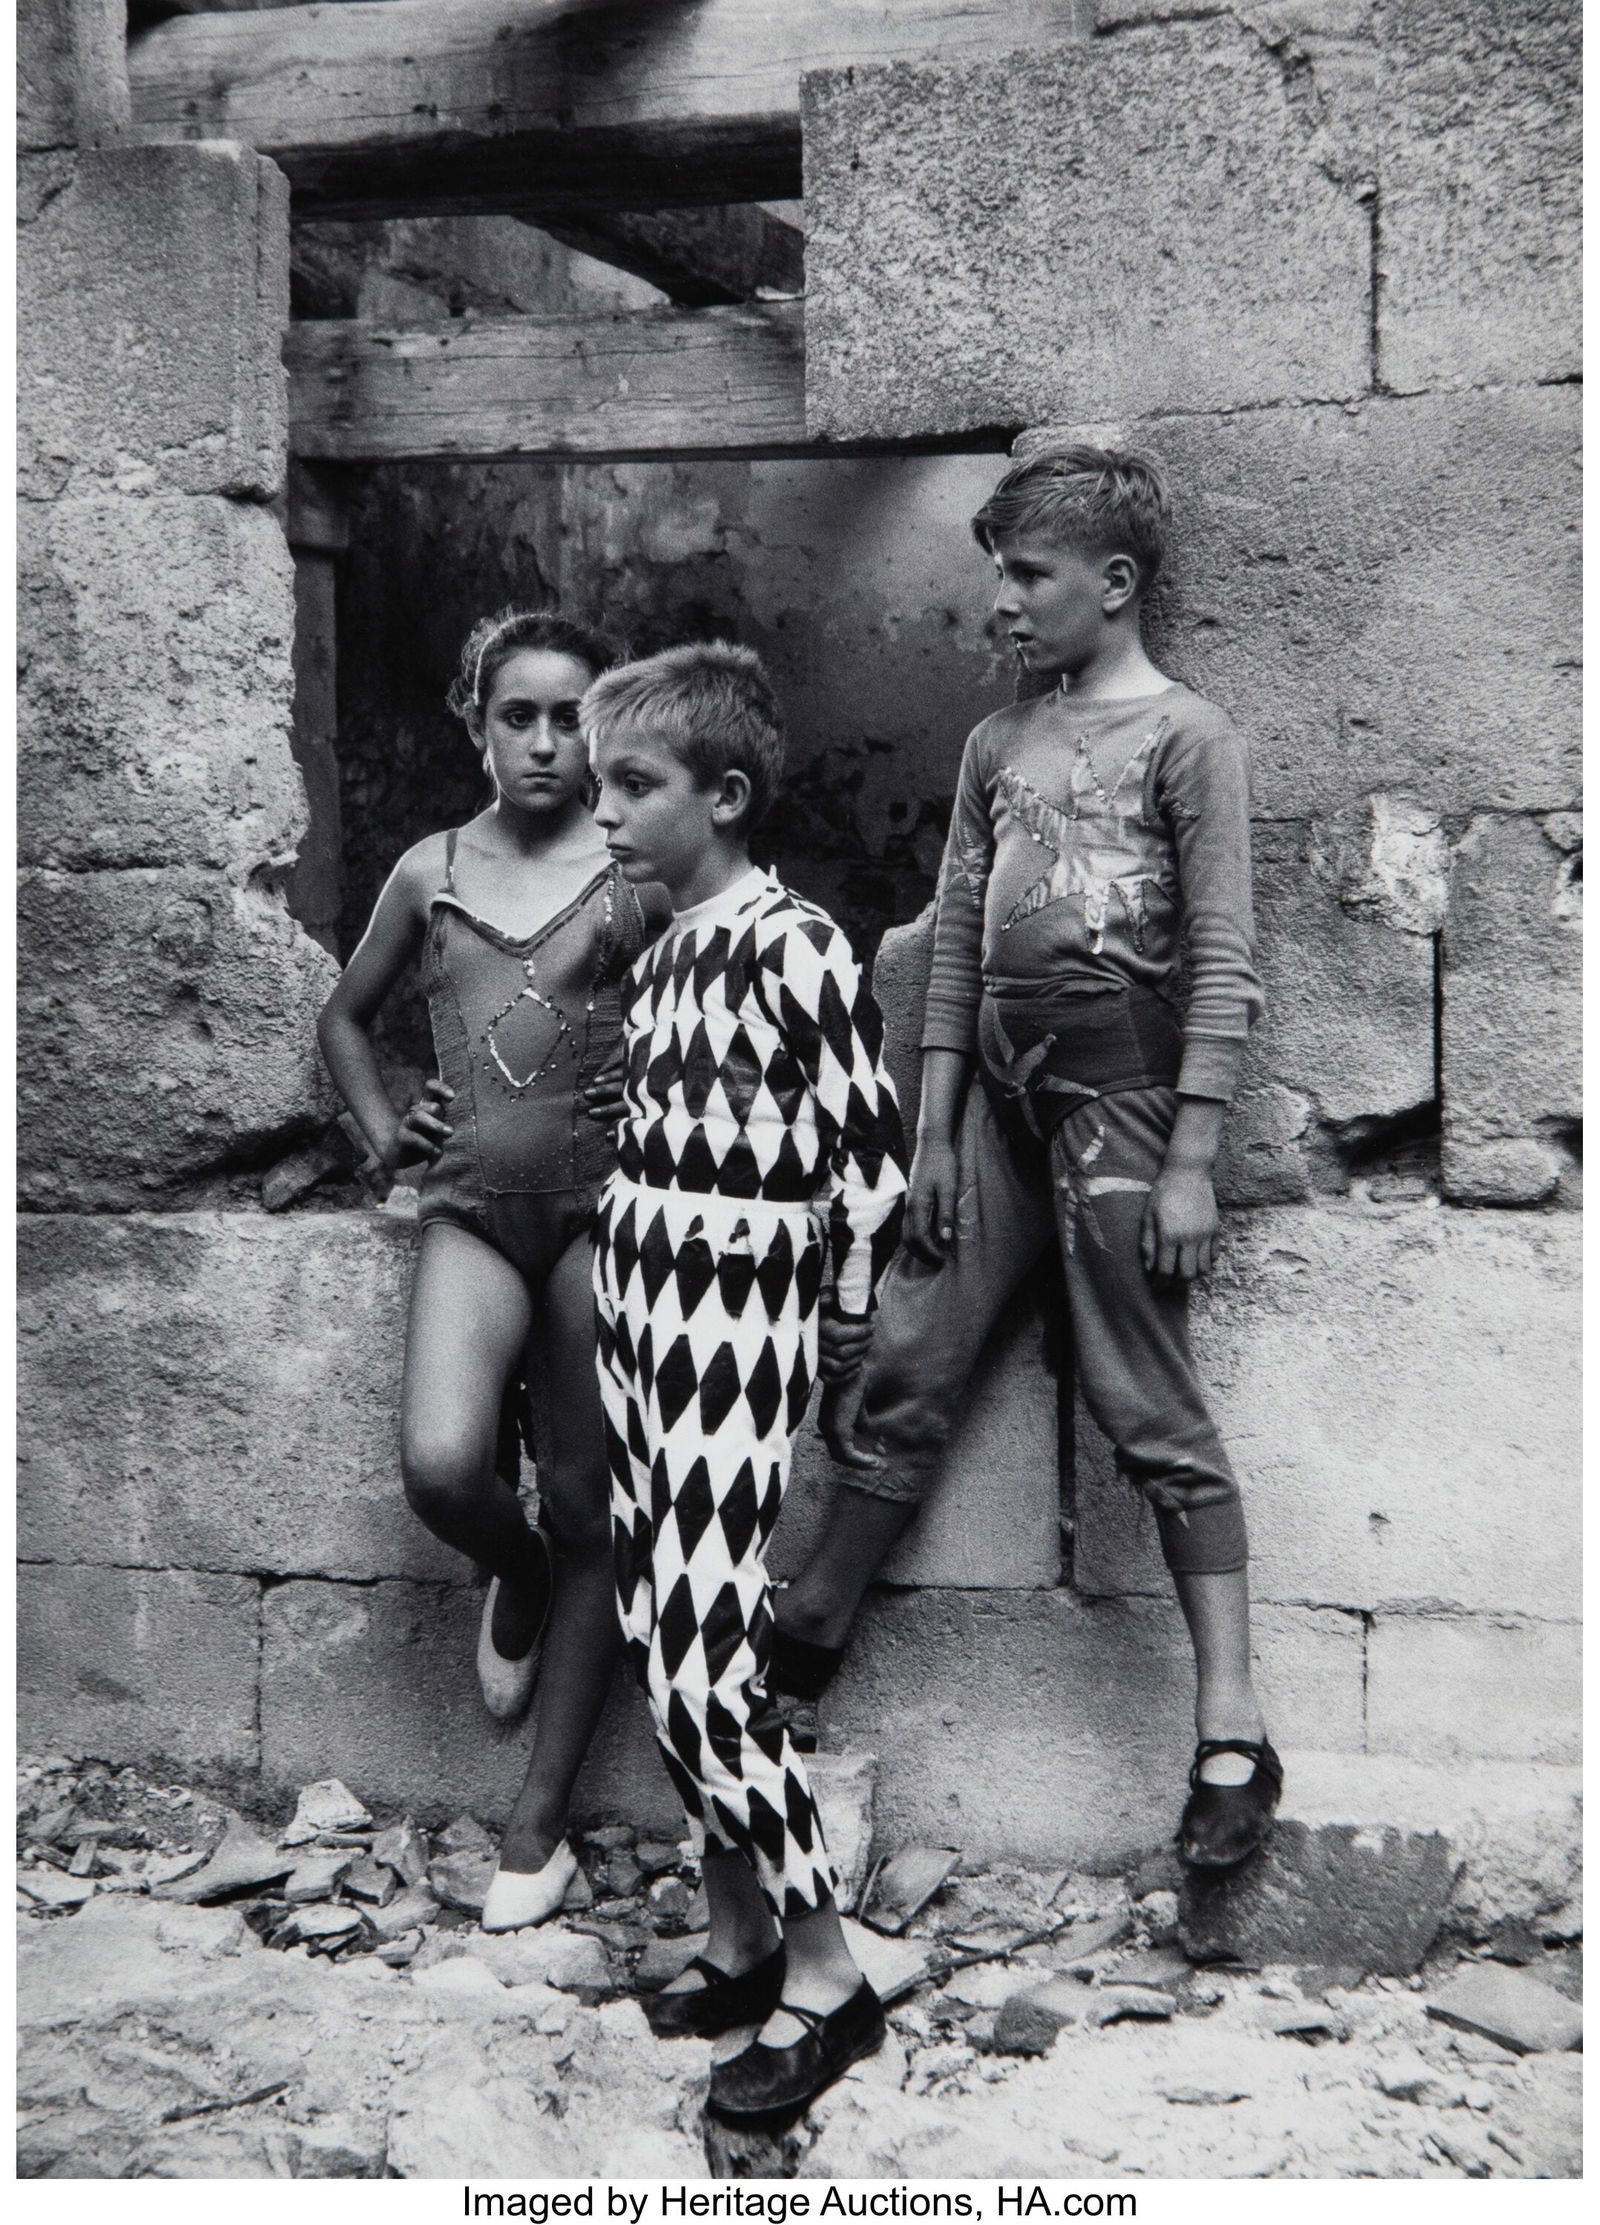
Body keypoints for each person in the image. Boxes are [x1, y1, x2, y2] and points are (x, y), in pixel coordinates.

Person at [763, 447, 1283, 1870]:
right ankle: (808, 1616)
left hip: (1119, 1113)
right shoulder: (997, 745)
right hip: (989, 1110)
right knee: (907, 1350)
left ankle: (1230, 1717)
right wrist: (927, 1130)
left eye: (1026, 575)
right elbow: (947, 948)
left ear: (1113, 587)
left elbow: (1226, 959)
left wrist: (1190, 1153)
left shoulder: (1190, 737)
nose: (999, 602)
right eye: (995, 571)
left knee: (1140, 1391)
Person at [583, 641, 908, 2120]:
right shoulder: (661, 957)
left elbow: (870, 1163)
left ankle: (832, 1979)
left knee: (718, 1673)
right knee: (661, 1645)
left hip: (733, 1333)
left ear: (721, 794)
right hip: (641, 1318)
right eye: (601, 786)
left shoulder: (799, 945)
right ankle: (737, 1937)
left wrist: (841, 1321)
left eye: (633, 786)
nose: (606, 813)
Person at [317, 608, 670, 1932]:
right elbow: (347, 1017)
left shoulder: (631, 872)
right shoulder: (431, 870)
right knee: (442, 1464)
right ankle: (510, 1570)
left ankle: (540, 1824)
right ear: (475, 722)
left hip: (598, 1219)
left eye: (570, 716)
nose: (543, 740)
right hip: (470, 1208)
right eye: (516, 714)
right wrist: (380, 1123)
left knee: (594, 1505)